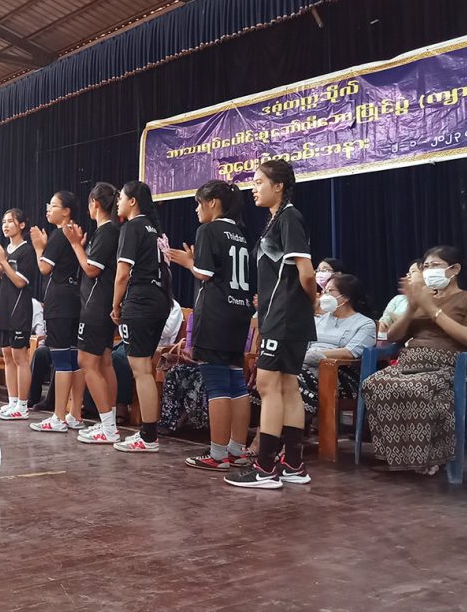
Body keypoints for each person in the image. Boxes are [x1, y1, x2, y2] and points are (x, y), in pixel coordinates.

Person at [225, 159, 317, 489]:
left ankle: (265, 467)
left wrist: (310, 301)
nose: (254, 188)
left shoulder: (289, 217)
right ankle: (293, 464)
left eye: (259, 182)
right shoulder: (276, 220)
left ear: (278, 186)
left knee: (267, 385)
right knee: (288, 386)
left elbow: (306, 273)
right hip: (281, 313)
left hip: (286, 315)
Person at [362, 246, 467, 475]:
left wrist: (433, 310)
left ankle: (427, 459)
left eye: (435, 265)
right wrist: (412, 307)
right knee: (374, 383)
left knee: (417, 388)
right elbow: (394, 336)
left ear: (455, 269)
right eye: (426, 266)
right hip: (410, 362)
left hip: (448, 365)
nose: (429, 271)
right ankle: (398, 457)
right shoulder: (420, 300)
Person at [169, 179, 254, 471]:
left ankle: (217, 455)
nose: (196, 210)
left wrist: (187, 262)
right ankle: (237, 451)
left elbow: (204, 273)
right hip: (240, 313)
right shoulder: (240, 233)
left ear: (213, 203)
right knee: (237, 382)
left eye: (198, 203)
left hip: (216, 313)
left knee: (217, 383)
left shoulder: (208, 229)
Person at [111, 180, 172, 453]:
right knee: (145, 368)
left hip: (141, 301)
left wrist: (115, 305)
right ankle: (148, 434)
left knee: (141, 370)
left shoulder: (132, 227)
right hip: (160, 301)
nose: (118, 203)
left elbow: (122, 273)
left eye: (121, 198)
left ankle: (148, 437)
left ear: (133, 201)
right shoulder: (156, 231)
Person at [61, 183, 122, 444]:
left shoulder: (107, 231)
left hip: (96, 305)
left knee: (86, 362)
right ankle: (109, 423)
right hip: (102, 304)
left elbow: (91, 269)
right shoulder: (110, 231)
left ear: (94, 203)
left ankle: (108, 428)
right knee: (104, 362)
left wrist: (75, 244)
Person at [29, 191, 83, 433]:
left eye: (53, 206)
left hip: (60, 304)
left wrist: (39, 248)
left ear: (67, 211)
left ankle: (58, 417)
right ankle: (75, 414)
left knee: (61, 360)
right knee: (75, 359)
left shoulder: (60, 234)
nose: (48, 210)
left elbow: (44, 268)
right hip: (75, 301)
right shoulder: (74, 232)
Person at [294, 273, 377, 414]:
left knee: (292, 378)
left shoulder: (365, 324)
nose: (324, 295)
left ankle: (294, 422)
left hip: (340, 373)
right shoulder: (318, 320)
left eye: (330, 291)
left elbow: (350, 352)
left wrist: (315, 356)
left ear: (346, 297)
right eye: (324, 291)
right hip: (305, 365)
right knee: (276, 375)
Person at [0, 209, 37, 420]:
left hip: (20, 311)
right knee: (7, 355)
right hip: (4, 310)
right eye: (4, 222)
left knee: (20, 357)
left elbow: (20, 282)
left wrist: (4, 262)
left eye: (10, 221)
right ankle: (12, 402)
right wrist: (0, 267)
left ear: (22, 225)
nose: (6, 225)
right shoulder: (3, 251)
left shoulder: (27, 251)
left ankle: (23, 406)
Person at [378, 261, 421, 338]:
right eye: (408, 272)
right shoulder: (398, 299)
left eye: (413, 271)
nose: (408, 275)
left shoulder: (431, 298)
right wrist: (383, 323)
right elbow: (386, 317)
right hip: (391, 337)